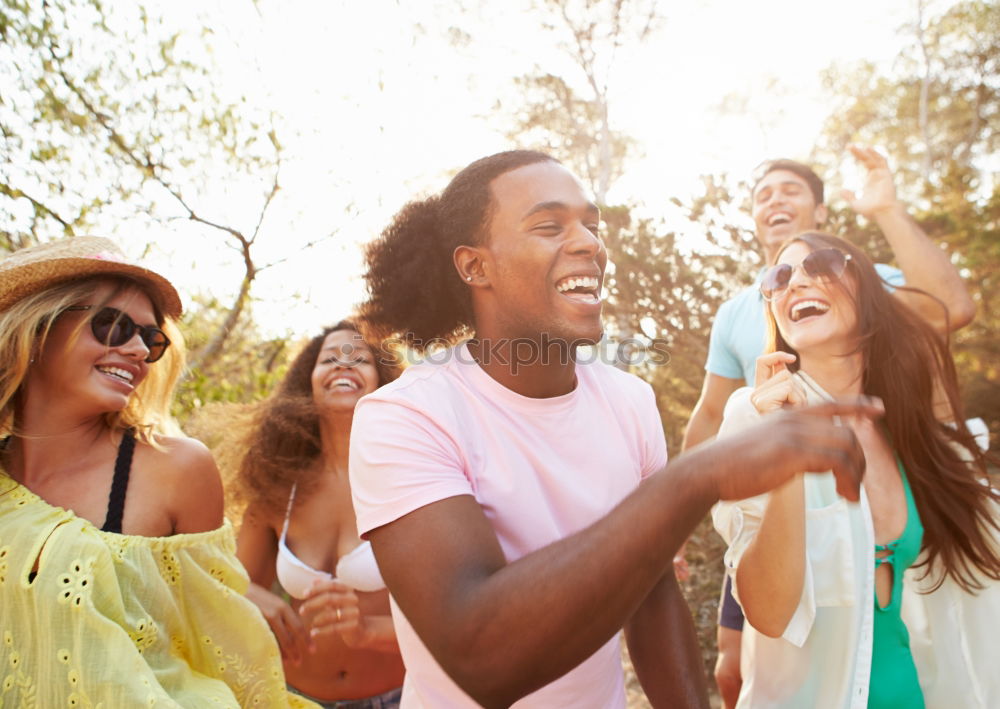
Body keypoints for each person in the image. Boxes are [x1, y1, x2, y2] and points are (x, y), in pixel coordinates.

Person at [347, 149, 885, 709]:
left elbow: (653, 596)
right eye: (550, 225)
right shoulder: (405, 417)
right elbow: (481, 659)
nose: (590, 244)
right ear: (475, 266)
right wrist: (695, 478)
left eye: (592, 225)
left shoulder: (629, 400)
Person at [679, 145, 976, 708]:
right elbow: (712, 414)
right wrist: (674, 504)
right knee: (733, 665)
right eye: (782, 276)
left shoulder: (899, 424)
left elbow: (950, 307)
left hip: (907, 686)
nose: (796, 284)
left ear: (821, 209)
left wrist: (887, 211)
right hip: (764, 484)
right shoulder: (740, 323)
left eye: (790, 189)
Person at [0, 236, 316, 707]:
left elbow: (223, 648)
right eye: (111, 325)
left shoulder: (177, 469)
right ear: (38, 327)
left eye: (151, 340)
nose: (137, 351)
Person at [235, 320, 405, 708]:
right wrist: (252, 595)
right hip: (289, 696)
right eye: (330, 359)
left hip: (396, 697)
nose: (343, 366)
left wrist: (367, 630)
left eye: (358, 359)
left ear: (383, 381)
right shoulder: (278, 485)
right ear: (307, 382)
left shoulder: (410, 479)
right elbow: (229, 586)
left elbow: (449, 620)